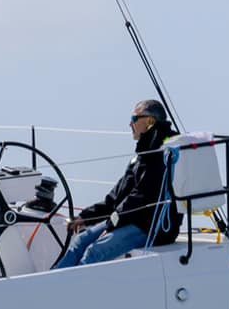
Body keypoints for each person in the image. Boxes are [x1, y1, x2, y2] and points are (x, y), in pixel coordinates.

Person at [55, 100, 179, 268]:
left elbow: (141, 198)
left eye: (134, 118)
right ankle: (53, 281)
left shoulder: (161, 152)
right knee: (81, 241)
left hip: (152, 227)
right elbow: (117, 196)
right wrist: (86, 217)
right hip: (132, 220)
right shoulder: (143, 153)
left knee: (95, 251)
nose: (130, 124)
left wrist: (113, 222)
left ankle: (71, 284)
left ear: (150, 121)